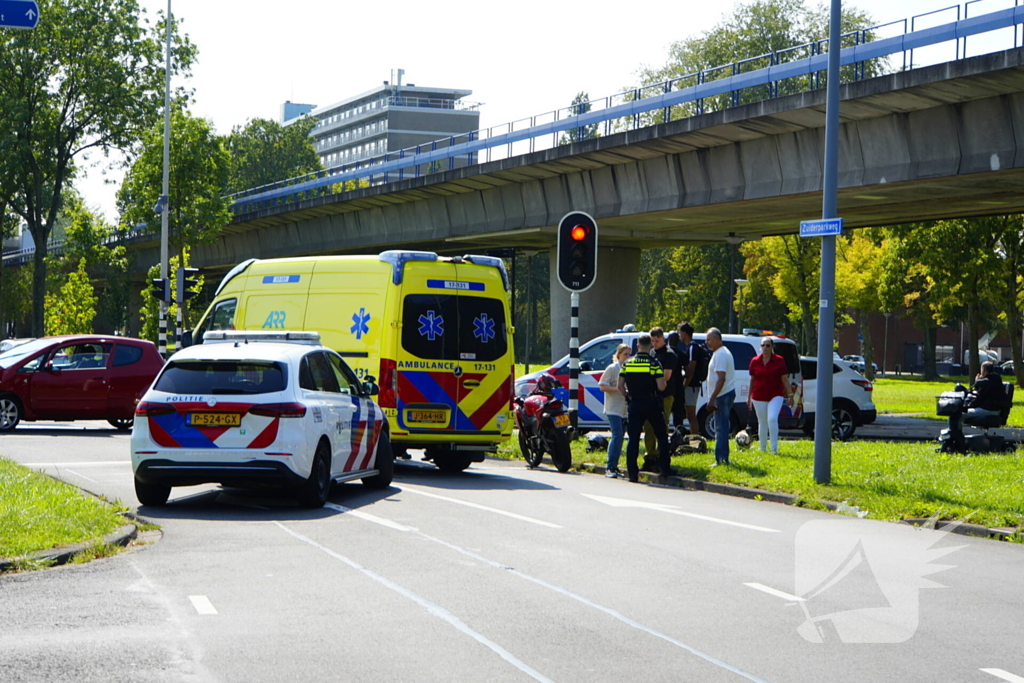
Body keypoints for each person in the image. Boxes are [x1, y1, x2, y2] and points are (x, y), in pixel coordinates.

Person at [618, 334, 674, 482]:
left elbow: (620, 386)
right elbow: (661, 387)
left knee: (633, 438)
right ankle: (664, 469)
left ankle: (632, 473)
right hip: (652, 404)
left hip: (635, 404)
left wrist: (628, 397)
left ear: (637, 347)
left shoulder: (627, 364)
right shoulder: (654, 364)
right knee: (661, 436)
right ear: (650, 346)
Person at [746, 337, 793, 455]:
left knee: (772, 418)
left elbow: (785, 379)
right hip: (758, 395)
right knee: (762, 422)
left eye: (768, 345)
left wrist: (791, 395)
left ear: (772, 347)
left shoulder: (779, 360)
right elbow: (752, 380)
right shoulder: (755, 361)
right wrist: (749, 397)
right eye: (763, 345)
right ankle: (762, 448)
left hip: (775, 394)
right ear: (760, 347)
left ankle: (774, 448)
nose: (765, 348)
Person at [643, 327, 677, 470]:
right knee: (648, 426)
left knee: (662, 426)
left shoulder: (669, 354)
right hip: (651, 395)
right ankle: (650, 456)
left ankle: (662, 456)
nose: (654, 343)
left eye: (657, 340)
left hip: (665, 395)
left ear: (664, 338)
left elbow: (666, 377)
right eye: (652, 341)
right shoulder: (651, 352)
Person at [598, 344, 631, 478]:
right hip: (613, 408)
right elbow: (602, 385)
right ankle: (610, 466)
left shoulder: (630, 368)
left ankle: (615, 466)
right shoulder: (612, 369)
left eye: (629, 354)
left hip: (624, 408)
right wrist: (618, 389)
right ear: (618, 355)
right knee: (617, 434)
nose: (628, 357)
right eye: (625, 354)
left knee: (621, 436)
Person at [704, 327, 735, 466]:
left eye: (709, 339)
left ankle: (721, 459)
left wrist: (712, 398)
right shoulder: (720, 352)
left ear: (717, 340)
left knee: (720, 428)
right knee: (721, 427)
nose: (706, 342)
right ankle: (722, 457)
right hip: (724, 394)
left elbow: (721, 378)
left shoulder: (721, 355)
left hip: (722, 396)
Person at [677, 322, 703, 435]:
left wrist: (684, 386)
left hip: (692, 386)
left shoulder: (692, 348)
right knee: (689, 414)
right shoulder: (690, 347)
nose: (679, 335)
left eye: (680, 333)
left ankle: (695, 440)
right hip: (692, 385)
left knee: (691, 415)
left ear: (685, 333)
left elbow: (691, 371)